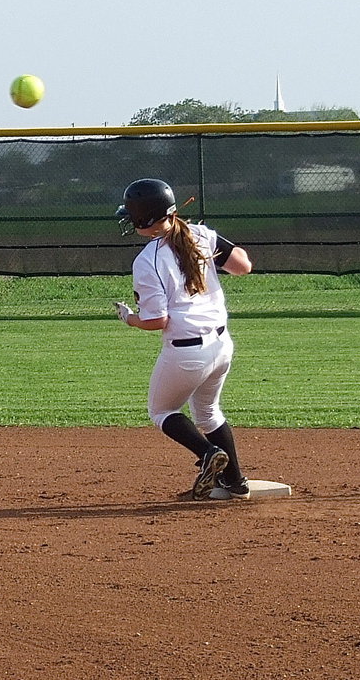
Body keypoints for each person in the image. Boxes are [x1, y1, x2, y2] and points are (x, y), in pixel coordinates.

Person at [113, 178, 254, 500]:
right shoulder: (202, 235)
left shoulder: (147, 260)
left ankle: (207, 454)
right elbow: (243, 266)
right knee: (208, 412)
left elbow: (156, 321)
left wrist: (129, 319)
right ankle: (235, 482)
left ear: (144, 220)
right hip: (221, 346)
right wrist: (213, 243)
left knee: (162, 412)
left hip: (186, 352)